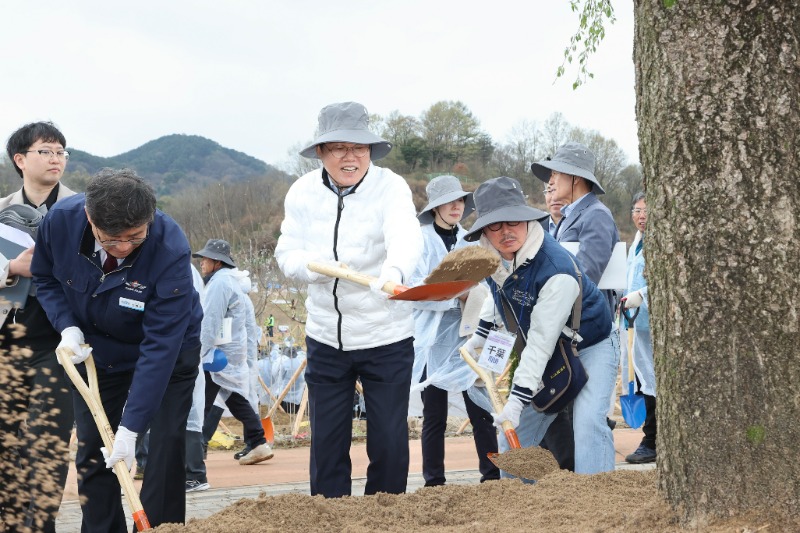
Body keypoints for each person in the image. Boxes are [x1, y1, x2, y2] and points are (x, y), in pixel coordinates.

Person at [31, 168, 203, 531]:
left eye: (135, 237)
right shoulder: (59, 224)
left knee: (165, 448)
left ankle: (161, 527)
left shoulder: (170, 247)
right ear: (90, 218)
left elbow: (160, 346)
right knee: (94, 451)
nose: (123, 248)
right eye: (111, 240)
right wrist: (67, 326)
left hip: (168, 353)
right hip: (98, 353)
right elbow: (44, 277)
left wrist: (130, 428)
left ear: (149, 219)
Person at [275, 101, 423, 497]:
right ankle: (329, 516)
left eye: (359, 147)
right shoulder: (303, 192)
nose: (350, 157)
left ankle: (384, 514)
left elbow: (406, 236)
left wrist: (394, 273)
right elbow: (286, 252)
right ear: (320, 152)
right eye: (338, 148)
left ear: (370, 150)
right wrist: (313, 267)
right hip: (326, 337)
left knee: (389, 441)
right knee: (326, 443)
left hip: (385, 335)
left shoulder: (390, 187)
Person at [462, 176, 618, 475]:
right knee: (514, 439)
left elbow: (540, 342)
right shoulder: (492, 256)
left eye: (514, 221)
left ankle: (596, 497)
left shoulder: (556, 269)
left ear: (526, 220)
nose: (506, 231)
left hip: (591, 343)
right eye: (495, 225)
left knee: (588, 424)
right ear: (483, 231)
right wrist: (481, 336)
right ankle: (520, 500)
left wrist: (517, 399)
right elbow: (499, 294)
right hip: (549, 349)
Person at [0, 121, 76, 532]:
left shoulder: (83, 210)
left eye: (61, 152)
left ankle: (42, 524)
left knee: (47, 442)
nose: (55, 158)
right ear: (20, 159)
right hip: (7, 341)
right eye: (45, 151)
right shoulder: (0, 210)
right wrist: (11, 267)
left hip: (57, 344)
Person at [408, 175, 499, 486]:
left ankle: (492, 475)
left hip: (469, 332)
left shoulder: (470, 240)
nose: (456, 206)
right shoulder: (420, 240)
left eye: (460, 200)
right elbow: (415, 289)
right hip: (432, 338)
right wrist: (455, 294)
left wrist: (470, 294)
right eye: (449, 202)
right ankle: (434, 481)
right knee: (434, 414)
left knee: (480, 407)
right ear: (435, 207)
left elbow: (486, 283)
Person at [193, 239, 273, 466]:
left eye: (206, 259)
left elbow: (210, 321)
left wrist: (200, 351)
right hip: (229, 353)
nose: (202, 263)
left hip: (217, 354)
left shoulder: (220, 284)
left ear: (217, 262)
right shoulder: (229, 281)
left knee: (201, 402)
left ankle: (192, 452)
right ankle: (258, 442)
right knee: (234, 397)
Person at [621, 192, 657, 464]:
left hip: (653, 326)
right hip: (634, 324)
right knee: (642, 381)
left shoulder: (659, 242)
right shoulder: (635, 242)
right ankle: (651, 436)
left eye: (646, 210)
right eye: (637, 210)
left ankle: (652, 440)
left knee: (653, 382)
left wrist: (642, 295)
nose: (641, 216)